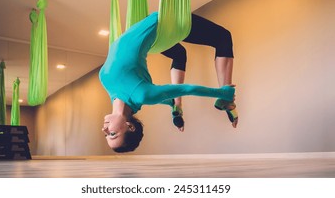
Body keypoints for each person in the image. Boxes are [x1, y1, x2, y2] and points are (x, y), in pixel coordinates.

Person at [99, 12, 237, 153]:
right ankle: (225, 97)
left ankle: (177, 104)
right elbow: (187, 89)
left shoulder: (112, 89)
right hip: (166, 20)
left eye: (106, 135)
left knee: (179, 54)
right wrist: (222, 93)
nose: (105, 129)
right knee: (223, 37)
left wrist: (171, 103)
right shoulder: (143, 95)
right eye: (112, 134)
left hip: (155, 37)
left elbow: (144, 97)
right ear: (130, 127)